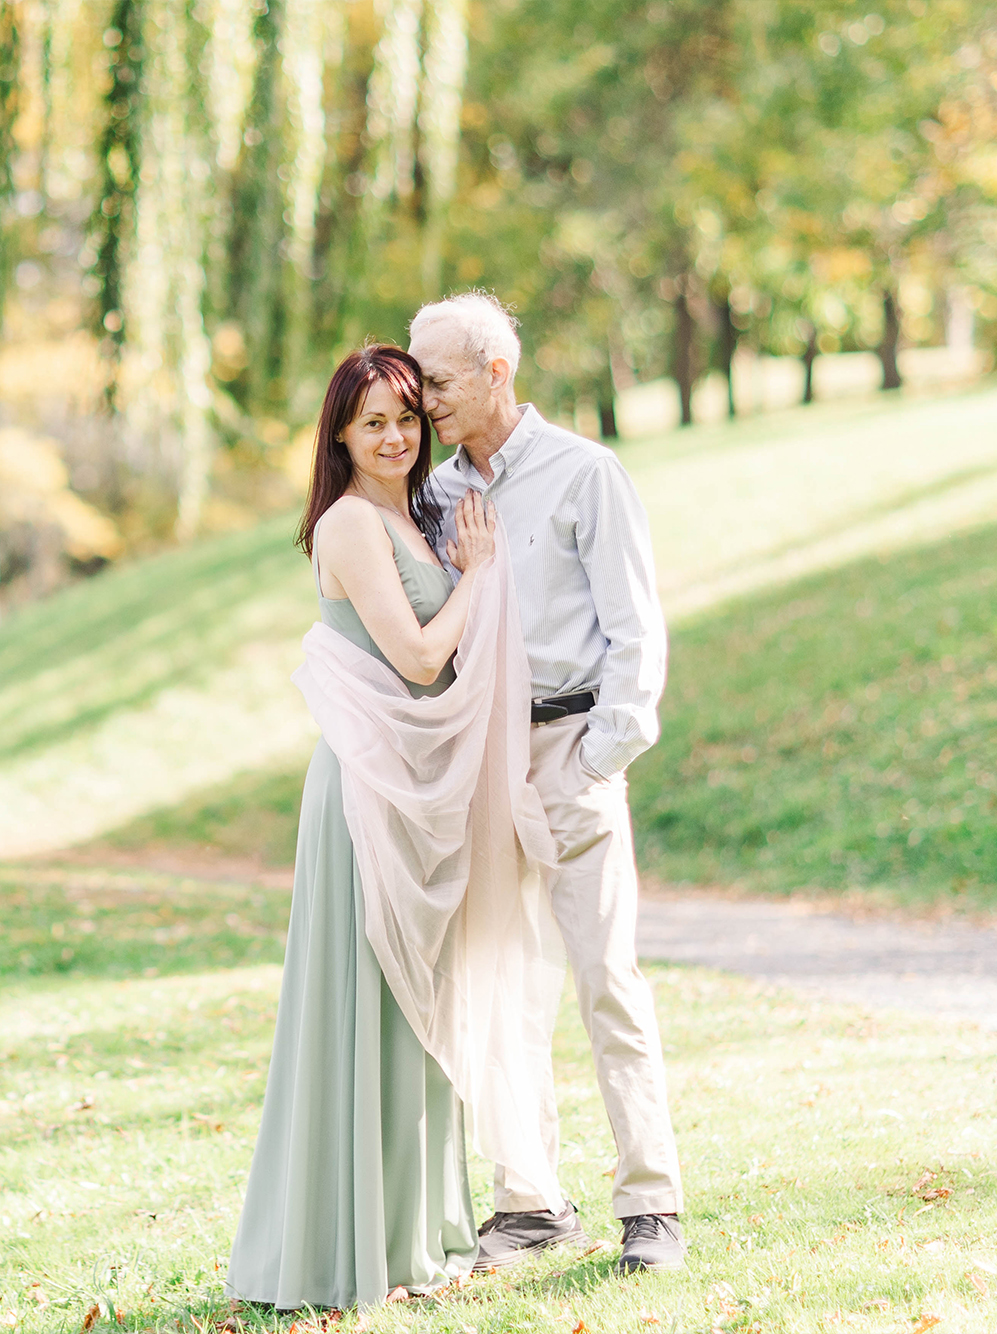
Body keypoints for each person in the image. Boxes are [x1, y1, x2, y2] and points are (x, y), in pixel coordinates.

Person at [226, 344, 568, 1310]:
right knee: (368, 1004)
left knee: (421, 1007)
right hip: (365, 794)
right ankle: (346, 1247)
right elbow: (419, 659)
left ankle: (416, 1235)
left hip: (417, 791)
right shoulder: (347, 524)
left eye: (408, 418)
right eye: (372, 421)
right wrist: (479, 575)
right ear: (339, 435)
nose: (394, 437)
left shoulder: (412, 519)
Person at [410, 292, 685, 1276]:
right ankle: (528, 1200)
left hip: (572, 749)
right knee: (502, 988)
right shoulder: (432, 496)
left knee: (607, 981)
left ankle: (651, 1204)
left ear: (496, 372)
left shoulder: (584, 472)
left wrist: (600, 756)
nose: (423, 397)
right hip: (485, 761)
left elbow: (634, 629)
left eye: (438, 378)